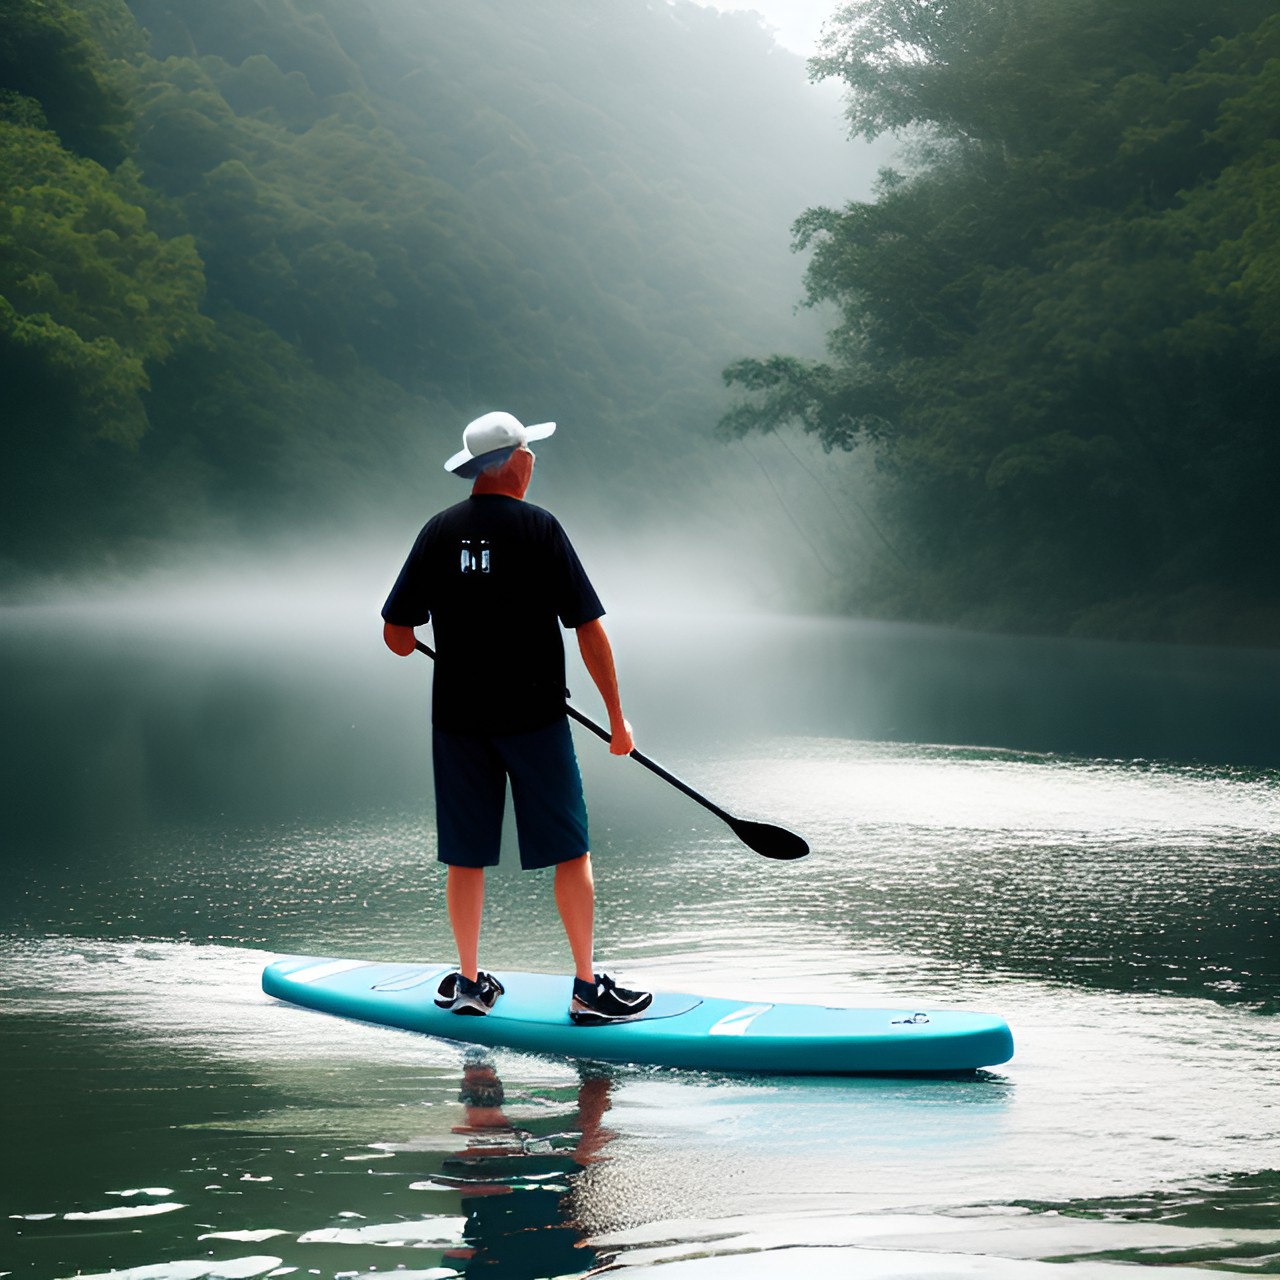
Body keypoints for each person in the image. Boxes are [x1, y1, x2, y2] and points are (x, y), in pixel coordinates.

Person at [381, 410, 653, 1025]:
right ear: (515, 461)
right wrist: (616, 719)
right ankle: (587, 988)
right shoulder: (540, 529)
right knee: (570, 849)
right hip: (535, 720)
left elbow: (398, 633)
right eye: (530, 453)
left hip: (457, 722)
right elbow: (587, 629)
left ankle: (471, 983)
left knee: (466, 855)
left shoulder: (437, 530)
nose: (533, 462)